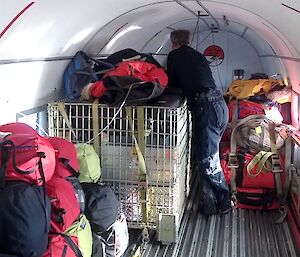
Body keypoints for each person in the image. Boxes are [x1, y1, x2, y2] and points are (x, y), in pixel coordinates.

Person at [166, 29, 231, 216]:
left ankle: (224, 199)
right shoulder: (198, 55)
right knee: (209, 155)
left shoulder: (174, 56)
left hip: (207, 109)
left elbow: (172, 85)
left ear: (173, 42)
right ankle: (209, 201)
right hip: (219, 105)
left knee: (207, 159)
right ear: (189, 41)